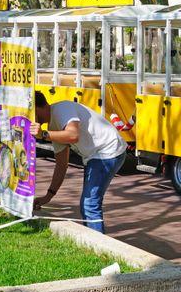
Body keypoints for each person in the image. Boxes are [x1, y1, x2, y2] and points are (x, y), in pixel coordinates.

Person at [30, 92, 127, 233]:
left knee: (90, 205)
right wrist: (48, 196)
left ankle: (98, 248)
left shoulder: (62, 109)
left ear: (36, 110)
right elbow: (61, 164)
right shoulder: (53, 126)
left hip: (108, 151)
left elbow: (73, 135)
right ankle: (95, 243)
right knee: (87, 205)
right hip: (96, 155)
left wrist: (44, 135)